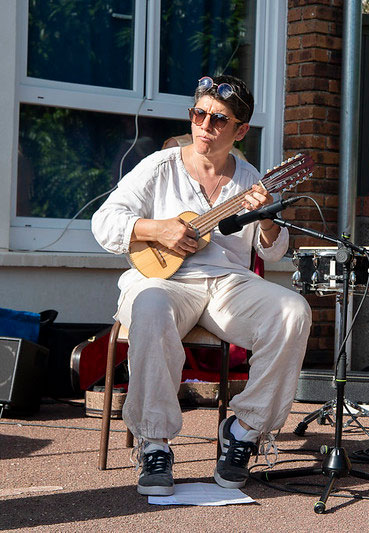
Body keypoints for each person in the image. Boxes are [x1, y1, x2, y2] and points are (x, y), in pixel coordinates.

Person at [92, 75, 312, 496]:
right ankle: (154, 442)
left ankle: (244, 431)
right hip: (162, 280)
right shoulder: (160, 167)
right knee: (151, 306)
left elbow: (273, 252)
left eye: (218, 120)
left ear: (240, 130)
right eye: (199, 114)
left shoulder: (251, 179)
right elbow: (104, 221)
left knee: (293, 311)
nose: (205, 126)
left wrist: (266, 218)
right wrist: (159, 229)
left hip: (227, 284)